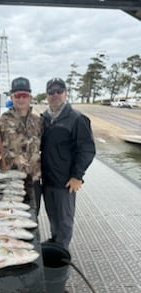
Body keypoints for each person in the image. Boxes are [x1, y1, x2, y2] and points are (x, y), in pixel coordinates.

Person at [41, 77, 96, 250]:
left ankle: (62, 250)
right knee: (52, 215)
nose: (55, 95)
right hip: (47, 179)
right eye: (51, 92)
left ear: (65, 93)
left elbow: (87, 149)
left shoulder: (77, 119)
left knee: (64, 219)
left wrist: (77, 176)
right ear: (47, 95)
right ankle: (55, 240)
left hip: (65, 181)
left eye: (59, 91)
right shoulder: (44, 119)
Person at [0, 77, 42, 212]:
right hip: (10, 180)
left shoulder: (38, 122)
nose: (21, 99)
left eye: (24, 95)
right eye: (17, 95)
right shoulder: (1, 122)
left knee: (32, 218)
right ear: (12, 97)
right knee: (11, 221)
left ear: (30, 97)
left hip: (33, 180)